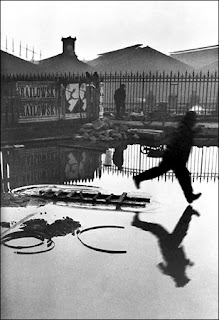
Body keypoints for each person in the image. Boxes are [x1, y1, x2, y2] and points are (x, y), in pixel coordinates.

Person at [133, 111, 201, 203]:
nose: (194, 121)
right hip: (174, 157)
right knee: (180, 175)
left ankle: (189, 196)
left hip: (174, 157)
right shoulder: (184, 129)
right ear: (190, 120)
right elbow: (181, 141)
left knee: (177, 175)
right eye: (194, 120)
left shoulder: (185, 128)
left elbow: (185, 136)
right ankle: (189, 196)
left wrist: (194, 131)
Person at [131, 205, 200, 287]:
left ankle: (189, 212)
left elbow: (176, 263)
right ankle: (189, 212)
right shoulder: (175, 272)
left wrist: (187, 263)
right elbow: (164, 266)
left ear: (181, 278)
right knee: (176, 229)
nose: (186, 276)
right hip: (170, 245)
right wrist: (187, 263)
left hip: (170, 246)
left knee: (175, 229)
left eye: (185, 278)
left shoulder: (177, 272)